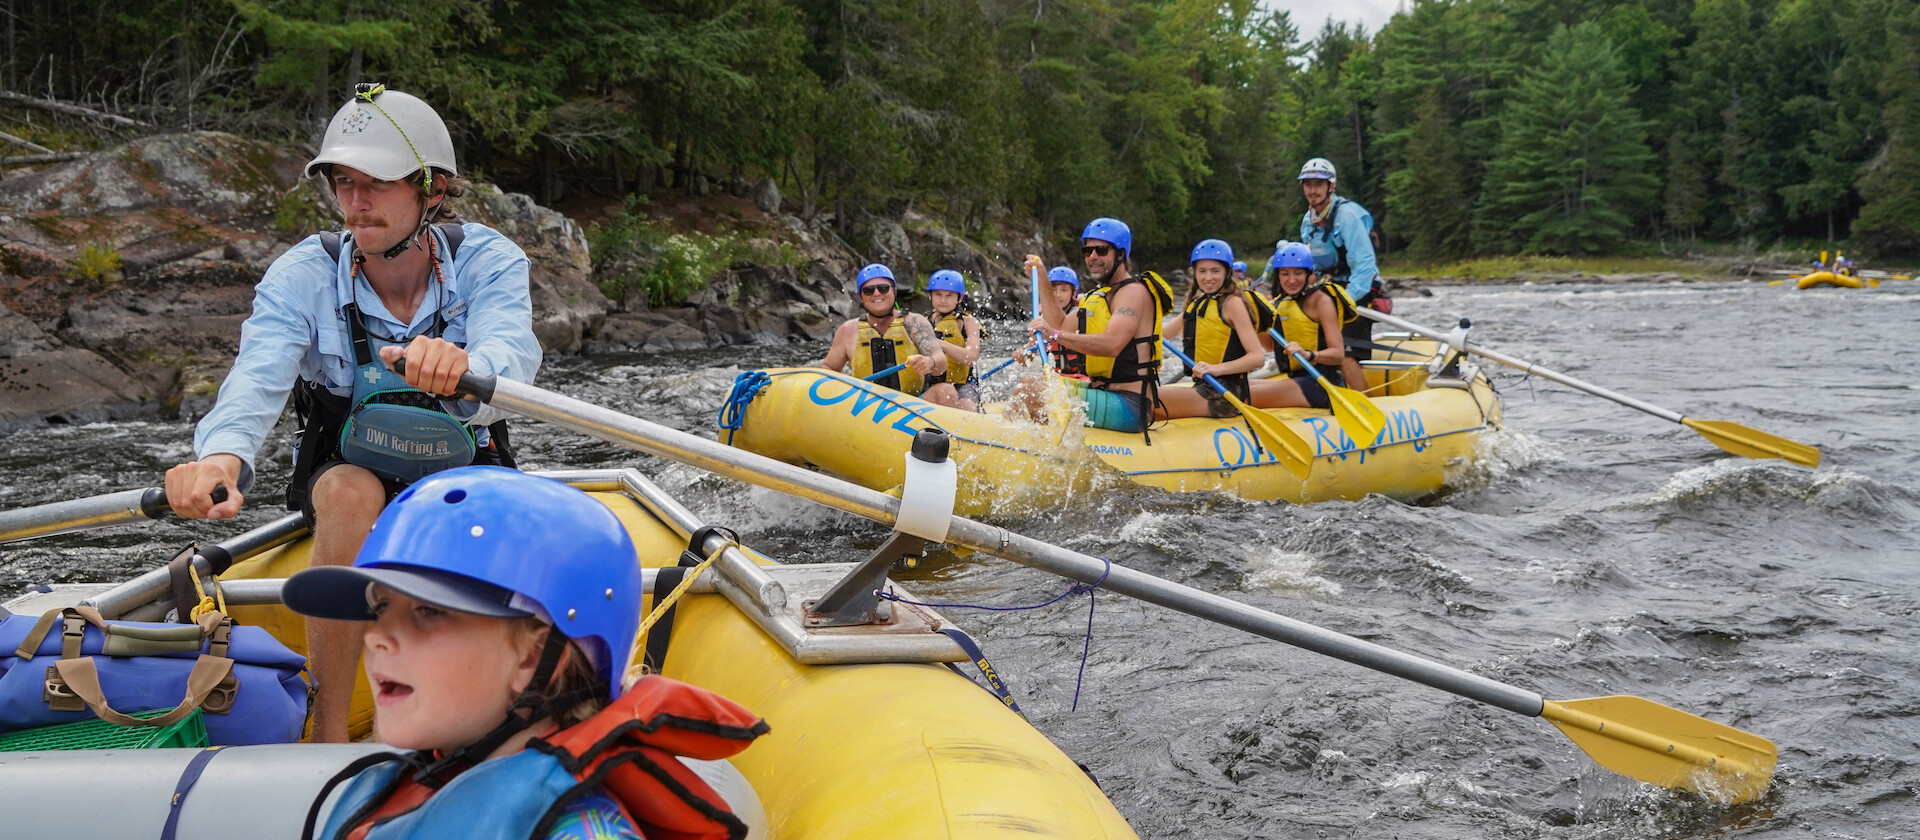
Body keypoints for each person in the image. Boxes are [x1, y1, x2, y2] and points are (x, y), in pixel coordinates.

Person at [162, 83, 541, 743]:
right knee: (344, 492)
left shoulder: (490, 259)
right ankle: (329, 731)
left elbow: (511, 352)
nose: (357, 202)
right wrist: (221, 456)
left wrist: (467, 371)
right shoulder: (302, 276)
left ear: (433, 190)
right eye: (344, 183)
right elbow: (257, 378)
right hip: (348, 459)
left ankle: (489, 717)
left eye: (378, 184)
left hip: (465, 459)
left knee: (474, 515)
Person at [284, 466, 768, 840]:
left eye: (428, 613)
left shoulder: (579, 830)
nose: (375, 638)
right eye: (381, 608)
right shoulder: (390, 794)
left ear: (534, 660)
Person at [1011, 217, 1175, 437]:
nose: (1093, 257)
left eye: (1101, 250)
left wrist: (1055, 335)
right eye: (1088, 252)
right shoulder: (1097, 296)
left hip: (1130, 405)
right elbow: (1058, 323)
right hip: (1101, 392)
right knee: (1028, 385)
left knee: (1030, 391)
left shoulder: (1133, 292)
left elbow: (1112, 344)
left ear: (1120, 254)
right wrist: (1042, 277)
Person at [1296, 157, 1387, 392]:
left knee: (1343, 352)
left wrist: (1346, 300)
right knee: (1315, 343)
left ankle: (1363, 406)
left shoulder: (1347, 215)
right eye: (1308, 184)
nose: (1312, 190)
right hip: (1331, 290)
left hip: (1360, 289)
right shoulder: (1308, 220)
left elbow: (1365, 265)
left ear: (1331, 186)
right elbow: (1312, 266)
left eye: (1318, 184)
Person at [1157, 239, 1272, 419]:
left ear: (1227, 272)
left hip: (1226, 394)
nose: (1208, 278)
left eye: (1215, 271)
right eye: (1202, 271)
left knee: (1148, 399)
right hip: (1203, 387)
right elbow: (1160, 335)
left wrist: (1216, 369)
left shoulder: (1233, 303)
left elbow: (1257, 358)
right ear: (1194, 273)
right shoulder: (1196, 304)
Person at [820, 263, 959, 406]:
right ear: (861, 297)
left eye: (883, 288)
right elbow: (828, 369)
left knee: (946, 391)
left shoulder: (915, 322)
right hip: (865, 408)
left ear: (894, 291)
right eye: (868, 290)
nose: (876, 294)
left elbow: (940, 361)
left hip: (914, 405)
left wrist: (930, 362)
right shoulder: (847, 330)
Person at [1250, 242, 1356, 410]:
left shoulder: (1322, 301)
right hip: (1297, 379)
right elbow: (1270, 347)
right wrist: (1255, 323)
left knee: (1242, 394)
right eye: (1285, 274)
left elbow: (1338, 354)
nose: (1291, 280)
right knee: (1238, 385)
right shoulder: (1281, 303)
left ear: (1310, 274)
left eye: (1298, 273)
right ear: (1278, 276)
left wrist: (1308, 355)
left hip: (1322, 383)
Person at [923, 269, 985, 412]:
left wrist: (941, 344)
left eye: (949, 295)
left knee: (967, 407)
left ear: (960, 297)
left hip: (962, 385)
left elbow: (971, 357)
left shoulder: (968, 322)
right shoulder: (922, 322)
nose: (943, 300)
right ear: (930, 296)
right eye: (938, 294)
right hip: (930, 385)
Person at [1016, 266, 1088, 378]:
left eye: (1064, 290)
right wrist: (1021, 355)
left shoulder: (1081, 314)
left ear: (1073, 294)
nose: (1058, 295)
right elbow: (1026, 362)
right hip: (1058, 378)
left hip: (1084, 378)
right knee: (1027, 380)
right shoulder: (1042, 319)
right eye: (1053, 290)